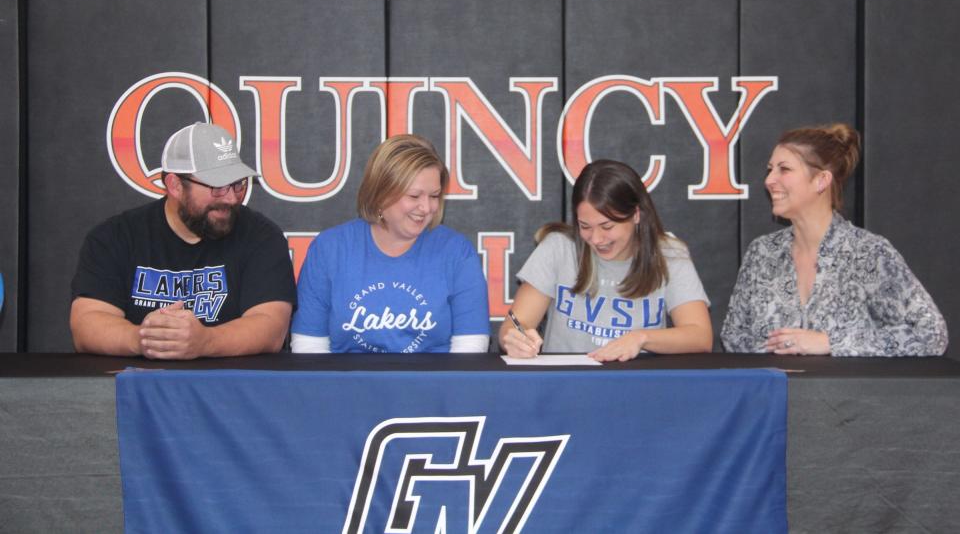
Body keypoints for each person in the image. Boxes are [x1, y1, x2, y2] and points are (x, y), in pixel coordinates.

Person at [70, 122, 296, 359]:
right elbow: (87, 321)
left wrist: (205, 342)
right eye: (217, 186)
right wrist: (145, 339)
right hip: (140, 388)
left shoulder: (261, 236)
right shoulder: (115, 236)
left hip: (231, 390)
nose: (231, 198)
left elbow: (272, 326)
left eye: (237, 184)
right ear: (175, 185)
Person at [722, 124, 947, 356]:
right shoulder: (762, 252)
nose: (770, 180)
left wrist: (830, 342)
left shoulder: (868, 252)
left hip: (848, 393)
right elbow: (733, 335)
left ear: (821, 180)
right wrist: (784, 348)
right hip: (775, 392)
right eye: (770, 169)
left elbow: (931, 334)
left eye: (784, 169)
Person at [291, 134, 489, 353]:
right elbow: (308, 348)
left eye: (434, 196)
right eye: (414, 196)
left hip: (434, 386)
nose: (426, 208)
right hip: (346, 386)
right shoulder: (329, 249)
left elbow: (470, 351)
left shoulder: (456, 251)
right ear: (381, 194)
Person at [499, 159, 712, 362]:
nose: (597, 239)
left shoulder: (670, 255)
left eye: (607, 226)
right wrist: (516, 339)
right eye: (585, 226)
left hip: (640, 386)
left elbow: (700, 336)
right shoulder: (558, 247)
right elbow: (516, 324)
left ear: (636, 214)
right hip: (567, 386)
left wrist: (641, 338)